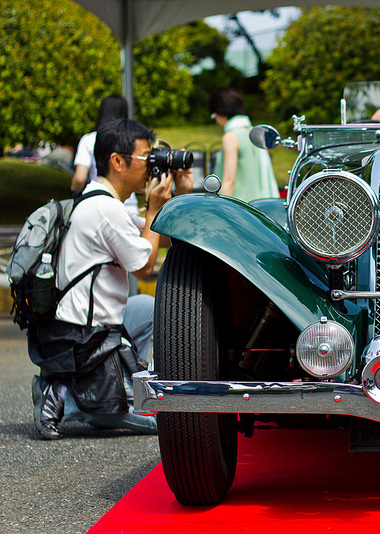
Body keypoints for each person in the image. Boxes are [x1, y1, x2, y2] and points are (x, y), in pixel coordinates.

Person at [30, 118, 193, 439]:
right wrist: (153, 210)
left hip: (85, 332)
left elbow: (163, 239)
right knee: (162, 422)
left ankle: (113, 386)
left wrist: (182, 196)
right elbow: (144, 266)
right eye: (146, 157)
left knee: (146, 307)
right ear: (118, 161)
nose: (151, 166)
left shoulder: (99, 200)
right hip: (83, 338)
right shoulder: (106, 210)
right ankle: (68, 397)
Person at [71, 95, 143, 226]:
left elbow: (80, 179)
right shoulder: (131, 142)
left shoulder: (89, 140)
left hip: (100, 205)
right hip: (130, 205)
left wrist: (75, 192)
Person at [209, 87, 279, 201]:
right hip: (260, 205)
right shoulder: (255, 133)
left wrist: (218, 208)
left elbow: (228, 181)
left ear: (221, 113)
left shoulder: (231, 137)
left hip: (239, 207)